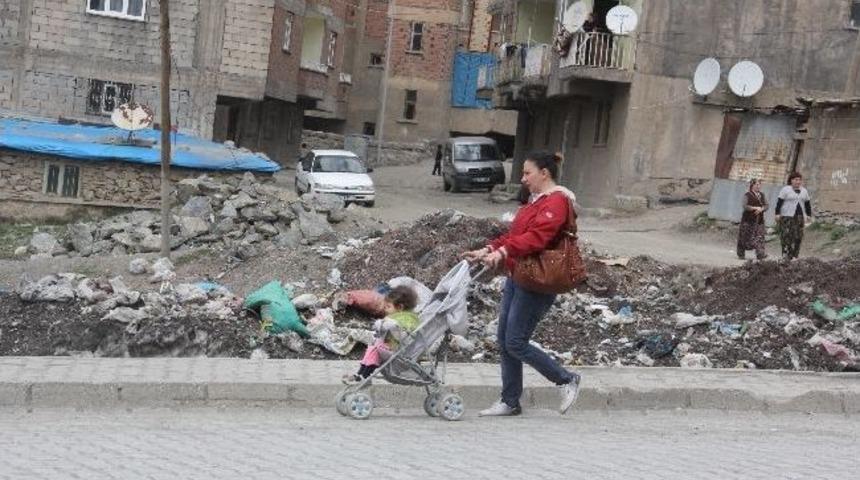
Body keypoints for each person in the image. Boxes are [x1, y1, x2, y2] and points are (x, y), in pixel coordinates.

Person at [463, 151, 581, 417]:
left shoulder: (558, 202)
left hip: (538, 281)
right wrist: (488, 249)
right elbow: (515, 235)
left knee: (516, 341)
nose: (523, 178)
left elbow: (537, 238)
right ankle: (510, 401)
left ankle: (566, 379)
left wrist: (503, 254)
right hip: (519, 276)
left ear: (544, 173)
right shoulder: (534, 201)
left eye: (528, 173)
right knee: (504, 341)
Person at [342, 285, 419, 384]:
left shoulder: (409, 319)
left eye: (388, 307)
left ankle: (365, 376)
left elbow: (403, 333)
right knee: (372, 347)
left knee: (376, 348)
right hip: (391, 346)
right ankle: (360, 373)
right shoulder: (396, 316)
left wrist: (390, 326)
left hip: (398, 350)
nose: (385, 309)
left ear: (400, 307)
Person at [775, 172, 813, 260]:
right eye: (796, 180)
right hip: (786, 217)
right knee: (786, 236)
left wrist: (809, 215)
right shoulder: (785, 189)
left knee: (798, 237)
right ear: (791, 180)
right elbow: (779, 202)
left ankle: (795, 256)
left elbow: (807, 204)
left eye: (799, 180)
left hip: (800, 217)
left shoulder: (804, 191)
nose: (798, 182)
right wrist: (777, 213)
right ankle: (786, 255)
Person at [737, 178, 769, 260]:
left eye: (759, 185)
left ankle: (760, 253)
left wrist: (761, 209)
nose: (758, 186)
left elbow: (766, 205)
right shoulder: (747, 195)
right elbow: (745, 206)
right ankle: (741, 253)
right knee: (744, 237)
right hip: (748, 220)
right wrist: (755, 208)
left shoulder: (762, 195)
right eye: (756, 184)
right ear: (752, 185)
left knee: (760, 237)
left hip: (759, 221)